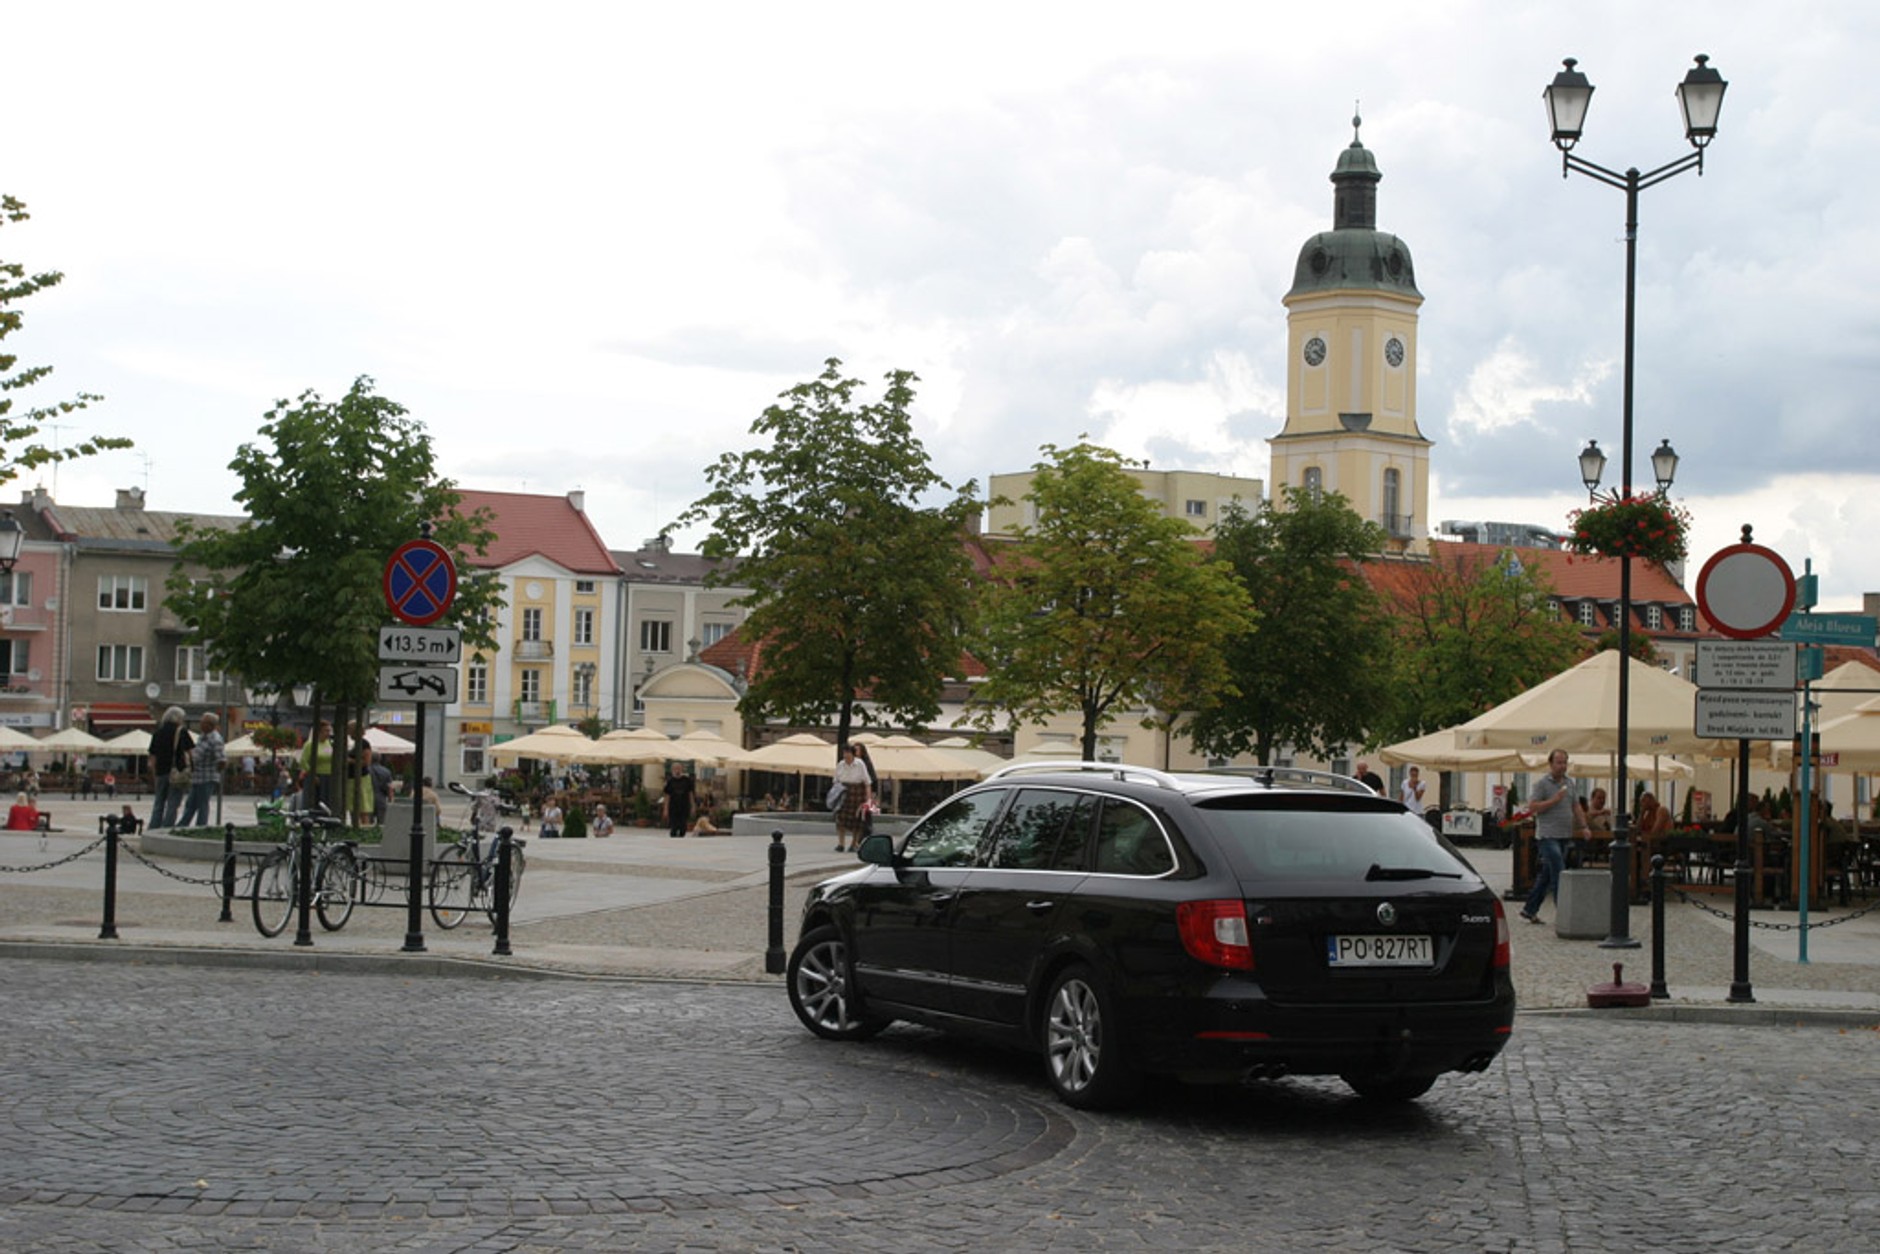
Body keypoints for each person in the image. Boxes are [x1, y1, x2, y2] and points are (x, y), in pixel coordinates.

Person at [1521, 749, 1586, 926]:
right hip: (1547, 835)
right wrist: (1554, 800)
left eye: (1564, 762)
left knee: (1547, 875)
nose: (1562, 766)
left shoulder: (1570, 784)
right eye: (1558, 762)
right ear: (1550, 764)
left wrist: (1584, 826)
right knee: (1559, 869)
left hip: (1564, 834)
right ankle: (1563, 912)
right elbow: (1533, 807)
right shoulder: (1542, 784)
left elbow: (1576, 805)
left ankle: (1530, 909)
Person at [148, 706, 194, 830]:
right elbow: (191, 752)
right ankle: (166, 829)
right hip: (177, 772)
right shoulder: (181, 731)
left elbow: (152, 757)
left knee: (159, 803)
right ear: (178, 718)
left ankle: (153, 828)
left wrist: (154, 773)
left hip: (160, 772)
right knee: (173, 804)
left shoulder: (158, 732)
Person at [177, 712, 225, 828]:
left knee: (202, 805)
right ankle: (182, 826)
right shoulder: (202, 737)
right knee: (190, 804)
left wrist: (214, 773)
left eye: (202, 722)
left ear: (210, 725)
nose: (200, 724)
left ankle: (201, 827)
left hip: (206, 778)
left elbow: (222, 760)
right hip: (197, 777)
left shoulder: (215, 740)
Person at [831, 743, 872, 854]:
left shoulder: (860, 764)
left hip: (857, 791)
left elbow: (867, 783)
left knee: (857, 820)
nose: (846, 755)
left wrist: (868, 800)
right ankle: (841, 844)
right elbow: (835, 781)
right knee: (840, 819)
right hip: (843, 791)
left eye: (848, 753)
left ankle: (854, 844)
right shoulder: (840, 764)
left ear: (853, 754)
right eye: (844, 752)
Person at [662, 764, 696, 839]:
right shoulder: (670, 782)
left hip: (684, 807)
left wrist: (693, 806)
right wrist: (665, 809)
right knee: (674, 828)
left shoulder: (687, 781)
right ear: (672, 770)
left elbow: (690, 794)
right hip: (673, 808)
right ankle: (673, 842)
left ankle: (680, 842)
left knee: (683, 828)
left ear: (682, 769)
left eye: (679, 769)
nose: (677, 770)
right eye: (675, 769)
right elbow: (667, 796)